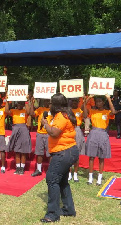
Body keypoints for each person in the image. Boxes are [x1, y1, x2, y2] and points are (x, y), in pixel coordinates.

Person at [40, 93, 79, 223]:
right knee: (62, 181)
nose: (49, 105)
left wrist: (45, 123)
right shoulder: (65, 114)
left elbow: (54, 133)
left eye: (51, 103)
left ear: (55, 104)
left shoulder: (61, 116)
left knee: (51, 179)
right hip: (68, 151)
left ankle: (52, 214)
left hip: (63, 152)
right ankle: (68, 209)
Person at [83, 94, 115, 186]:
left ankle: (99, 178)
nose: (98, 103)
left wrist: (109, 98)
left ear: (103, 102)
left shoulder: (107, 112)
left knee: (101, 157)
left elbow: (113, 112)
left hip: (103, 133)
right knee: (91, 156)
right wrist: (88, 98)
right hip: (93, 132)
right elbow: (85, 114)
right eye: (97, 102)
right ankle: (90, 177)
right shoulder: (92, 111)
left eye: (100, 101)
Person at [5, 99, 32, 175]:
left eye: (21, 104)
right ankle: (17, 168)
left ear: (23, 105)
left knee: (23, 151)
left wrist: (27, 101)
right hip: (16, 129)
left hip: (24, 129)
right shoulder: (13, 110)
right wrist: (7, 101)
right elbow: (7, 111)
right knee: (17, 150)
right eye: (18, 103)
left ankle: (22, 168)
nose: (19, 105)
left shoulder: (25, 111)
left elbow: (29, 112)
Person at [30, 98, 53, 177]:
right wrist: (32, 103)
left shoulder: (53, 111)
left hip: (49, 134)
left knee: (49, 153)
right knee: (39, 152)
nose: (46, 103)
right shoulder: (40, 109)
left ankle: (51, 170)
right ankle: (38, 170)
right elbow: (32, 113)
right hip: (40, 133)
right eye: (45, 101)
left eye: (48, 101)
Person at [68, 98, 85, 182]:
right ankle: (69, 173)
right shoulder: (68, 110)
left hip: (77, 130)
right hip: (69, 130)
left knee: (76, 153)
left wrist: (85, 102)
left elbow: (85, 116)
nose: (74, 103)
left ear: (78, 103)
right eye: (73, 101)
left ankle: (75, 174)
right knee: (69, 153)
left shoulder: (80, 110)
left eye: (76, 102)